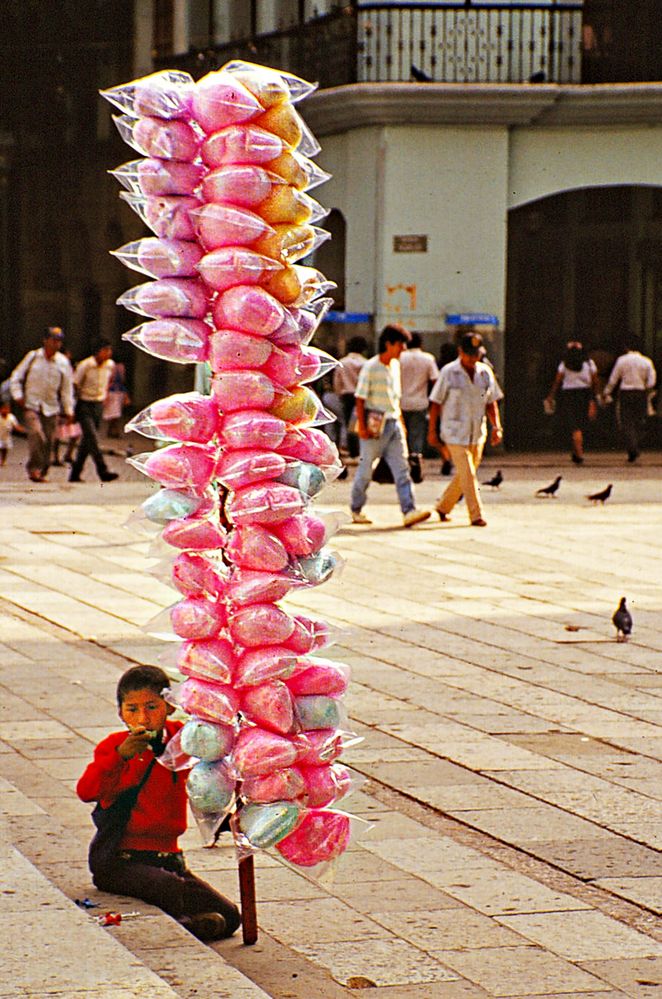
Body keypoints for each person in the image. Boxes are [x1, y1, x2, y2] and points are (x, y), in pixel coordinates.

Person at [77, 665, 241, 942]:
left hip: (170, 860)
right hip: (120, 861)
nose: (142, 718)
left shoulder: (183, 740)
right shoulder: (115, 746)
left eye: (152, 707)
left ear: (169, 707)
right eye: (132, 709)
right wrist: (121, 756)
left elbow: (217, 751)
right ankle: (185, 925)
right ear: (121, 713)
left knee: (231, 915)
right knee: (168, 887)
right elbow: (86, 790)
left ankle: (196, 923)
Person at [350, 323, 431, 527]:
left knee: (402, 469)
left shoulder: (395, 366)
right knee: (365, 470)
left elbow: (396, 400)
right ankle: (356, 508)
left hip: (394, 424)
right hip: (374, 427)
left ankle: (409, 510)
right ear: (389, 344)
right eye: (401, 345)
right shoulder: (371, 366)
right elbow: (360, 398)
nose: (403, 349)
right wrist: (362, 426)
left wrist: (401, 424)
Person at [428, 331, 504, 527]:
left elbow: (491, 402)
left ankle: (443, 506)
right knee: (468, 473)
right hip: (454, 432)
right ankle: (476, 514)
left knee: (465, 473)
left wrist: (497, 426)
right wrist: (432, 431)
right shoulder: (448, 372)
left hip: (477, 432)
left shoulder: (485, 372)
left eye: (476, 354)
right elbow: (435, 403)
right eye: (469, 354)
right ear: (460, 352)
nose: (472, 358)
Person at [9, 326, 75, 482]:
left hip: (51, 407)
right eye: (53, 340)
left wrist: (69, 410)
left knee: (49, 441)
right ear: (45, 340)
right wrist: (18, 396)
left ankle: (43, 469)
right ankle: (34, 469)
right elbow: (15, 377)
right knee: (36, 434)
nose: (56, 344)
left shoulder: (63, 362)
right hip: (32, 405)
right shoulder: (32, 357)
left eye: (59, 341)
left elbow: (66, 388)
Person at [69, 340, 119, 483]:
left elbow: (109, 381)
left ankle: (75, 473)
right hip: (85, 404)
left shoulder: (110, 365)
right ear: (98, 351)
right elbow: (75, 384)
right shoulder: (86, 365)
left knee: (87, 442)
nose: (108, 353)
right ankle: (102, 470)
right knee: (92, 437)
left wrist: (104, 395)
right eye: (105, 350)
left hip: (98, 404)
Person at [603, 337, 657, 462]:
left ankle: (632, 447)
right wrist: (647, 388)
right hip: (640, 392)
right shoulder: (646, 361)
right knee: (639, 420)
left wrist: (607, 392)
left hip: (626, 393)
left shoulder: (622, 360)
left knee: (627, 421)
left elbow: (614, 378)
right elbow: (651, 381)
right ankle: (635, 444)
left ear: (626, 347)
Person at [545, 341, 599, 464]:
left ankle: (578, 453)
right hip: (585, 394)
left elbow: (557, 381)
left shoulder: (564, 364)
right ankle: (577, 452)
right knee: (580, 424)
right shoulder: (590, 364)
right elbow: (595, 381)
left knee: (573, 425)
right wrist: (594, 397)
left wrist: (551, 395)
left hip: (569, 395)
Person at [399, 332, 439, 472]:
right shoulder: (428, 359)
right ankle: (415, 462)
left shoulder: (399, 358)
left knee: (401, 435)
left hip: (400, 402)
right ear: (421, 344)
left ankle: (402, 463)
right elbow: (435, 380)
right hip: (420, 403)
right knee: (417, 434)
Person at [332, 336, 369, 458]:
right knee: (361, 423)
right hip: (362, 396)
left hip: (346, 396)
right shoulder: (366, 363)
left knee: (348, 423)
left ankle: (350, 449)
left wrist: (339, 393)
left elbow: (337, 382)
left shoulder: (343, 362)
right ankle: (360, 449)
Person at [103, 360, 130, 438]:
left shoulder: (120, 369)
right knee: (113, 414)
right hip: (112, 392)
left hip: (118, 392)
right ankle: (113, 430)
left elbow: (122, 382)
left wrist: (125, 395)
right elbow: (108, 381)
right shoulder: (110, 368)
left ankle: (113, 431)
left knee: (116, 413)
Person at [0, 401, 25, 466]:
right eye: (3, 409)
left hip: (6, 436)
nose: (5, 410)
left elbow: (15, 426)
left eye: (7, 409)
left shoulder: (11, 417)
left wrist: (22, 430)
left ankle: (3, 460)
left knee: (4, 449)